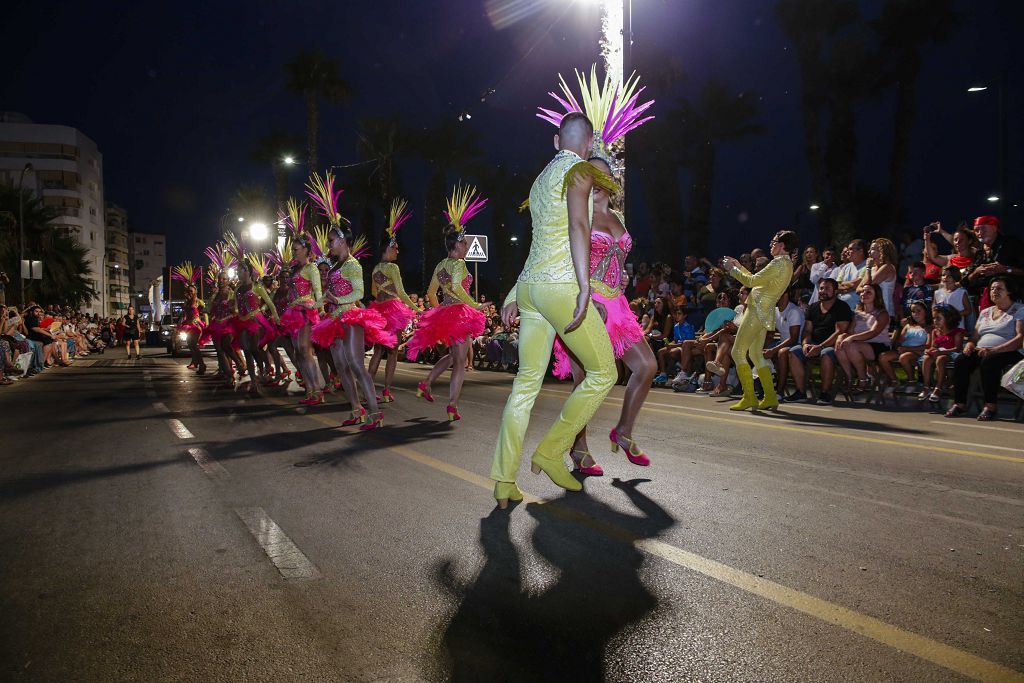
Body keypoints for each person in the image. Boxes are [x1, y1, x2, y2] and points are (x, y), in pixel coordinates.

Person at [492, 106, 621, 507]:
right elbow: (577, 227)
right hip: (559, 287)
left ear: (555, 141)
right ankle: (551, 451)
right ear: (588, 145)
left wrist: (514, 292)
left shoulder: (540, 179)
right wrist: (585, 287)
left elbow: (538, 241)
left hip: (530, 288)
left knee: (526, 385)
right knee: (604, 373)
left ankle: (503, 480)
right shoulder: (581, 171)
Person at [542, 151, 657, 474]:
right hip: (586, 302)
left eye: (601, 174)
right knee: (586, 383)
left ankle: (623, 431)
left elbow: (618, 257)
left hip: (617, 304)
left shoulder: (617, 215)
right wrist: (583, 295)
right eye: (588, 173)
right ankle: (578, 448)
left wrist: (624, 274)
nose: (594, 180)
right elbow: (563, 259)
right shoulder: (579, 214)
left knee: (646, 365)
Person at [406, 184, 489, 422]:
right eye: (464, 244)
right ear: (457, 245)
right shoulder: (458, 264)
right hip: (461, 315)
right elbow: (454, 288)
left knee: (454, 357)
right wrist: (474, 305)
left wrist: (439, 313)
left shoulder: (440, 265)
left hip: (448, 314)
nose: (466, 247)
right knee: (460, 362)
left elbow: (433, 293)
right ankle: (452, 404)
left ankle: (426, 382)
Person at [311, 225, 393, 430]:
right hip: (334, 320)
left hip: (350, 317)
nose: (328, 244)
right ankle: (357, 409)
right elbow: (327, 296)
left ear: (342, 241)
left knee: (356, 365)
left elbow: (359, 292)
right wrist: (313, 305)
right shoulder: (334, 266)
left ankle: (375, 413)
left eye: (331, 240)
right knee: (341, 367)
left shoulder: (352, 265)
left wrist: (337, 299)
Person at [721, 229, 798, 411]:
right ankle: (770, 397)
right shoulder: (784, 264)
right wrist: (739, 266)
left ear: (781, 246)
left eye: (773, 242)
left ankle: (749, 397)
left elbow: (751, 282)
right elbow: (757, 280)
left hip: (756, 312)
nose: (771, 245)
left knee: (738, 352)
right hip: (763, 313)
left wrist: (732, 270)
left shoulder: (778, 263)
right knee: (755, 355)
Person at [944, 277, 1023, 420]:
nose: (994, 292)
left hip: (1009, 351)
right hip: (983, 350)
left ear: (1009, 291)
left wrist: (994, 350)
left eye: (999, 289)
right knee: (962, 360)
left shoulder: (1018, 309)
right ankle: (959, 403)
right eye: (992, 289)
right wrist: (970, 344)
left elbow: (1019, 339)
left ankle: (990, 406)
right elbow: (975, 337)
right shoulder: (985, 312)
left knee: (989, 362)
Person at [367, 199, 421, 404]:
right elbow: (402, 293)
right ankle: (387, 390)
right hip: (393, 310)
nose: (398, 251)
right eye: (395, 248)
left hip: (378, 310)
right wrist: (416, 309)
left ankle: (367, 386)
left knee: (378, 350)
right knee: (392, 353)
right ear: (387, 249)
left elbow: (373, 291)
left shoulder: (375, 269)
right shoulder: (392, 268)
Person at [784, 278, 852, 404]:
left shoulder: (842, 307)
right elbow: (807, 330)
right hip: (814, 343)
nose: (823, 291)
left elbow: (840, 332)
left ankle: (825, 393)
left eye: (827, 288)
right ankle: (800, 392)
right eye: (821, 288)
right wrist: (805, 344)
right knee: (793, 352)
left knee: (826, 354)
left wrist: (820, 347)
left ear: (835, 291)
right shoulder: (814, 307)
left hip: (833, 346)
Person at [280, 231, 325, 405]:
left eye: (297, 249)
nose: (294, 252)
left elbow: (318, 290)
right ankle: (310, 389)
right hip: (292, 313)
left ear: (306, 250)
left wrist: (316, 306)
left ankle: (317, 390)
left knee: (305, 351)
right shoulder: (294, 269)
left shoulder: (311, 268)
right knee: (298, 352)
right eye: (293, 249)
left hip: (306, 312)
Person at [235, 257, 279, 396]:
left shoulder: (257, 286)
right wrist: (238, 314)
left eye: (239, 271)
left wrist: (276, 317)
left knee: (254, 348)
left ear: (246, 271)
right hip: (242, 321)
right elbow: (236, 306)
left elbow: (270, 303)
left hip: (256, 321)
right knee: (246, 351)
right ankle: (254, 381)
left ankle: (263, 370)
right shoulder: (237, 288)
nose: (237, 273)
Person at [835, 283, 891, 391]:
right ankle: (850, 377)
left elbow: (873, 332)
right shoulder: (857, 313)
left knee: (852, 346)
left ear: (876, 296)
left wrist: (852, 338)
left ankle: (863, 379)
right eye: (862, 292)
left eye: (868, 292)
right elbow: (850, 332)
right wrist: (843, 336)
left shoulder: (882, 314)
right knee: (840, 345)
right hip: (859, 344)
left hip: (878, 345)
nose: (864, 294)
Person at [964, 215, 1024, 309]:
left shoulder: (1011, 243)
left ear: (994, 228)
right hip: (985, 301)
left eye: (983, 229)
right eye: (976, 230)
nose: (980, 233)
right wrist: (977, 272)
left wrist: (1005, 269)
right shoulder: (980, 253)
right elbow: (965, 281)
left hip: (1013, 300)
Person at [878, 301, 930, 397]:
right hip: (904, 350)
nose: (915, 314)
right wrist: (899, 329)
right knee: (883, 357)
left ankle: (911, 380)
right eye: (913, 311)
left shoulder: (929, 328)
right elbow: (899, 341)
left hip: (918, 352)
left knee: (904, 357)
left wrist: (907, 348)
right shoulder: (908, 326)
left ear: (926, 312)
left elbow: (928, 346)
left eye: (919, 311)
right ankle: (894, 380)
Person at [919, 305, 963, 403]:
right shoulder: (935, 331)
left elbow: (958, 348)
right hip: (938, 353)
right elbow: (933, 346)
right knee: (926, 358)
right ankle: (926, 386)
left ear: (949, 318)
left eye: (938, 318)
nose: (935, 321)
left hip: (951, 354)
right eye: (934, 318)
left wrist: (941, 351)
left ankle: (938, 387)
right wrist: (930, 350)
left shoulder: (957, 332)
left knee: (940, 358)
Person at [860, 238, 898, 317]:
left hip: (885, 312)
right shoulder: (872, 269)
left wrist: (868, 268)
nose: (869, 252)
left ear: (882, 251)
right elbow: (859, 289)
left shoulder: (888, 267)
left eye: (872, 249)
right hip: (871, 312)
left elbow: (868, 285)